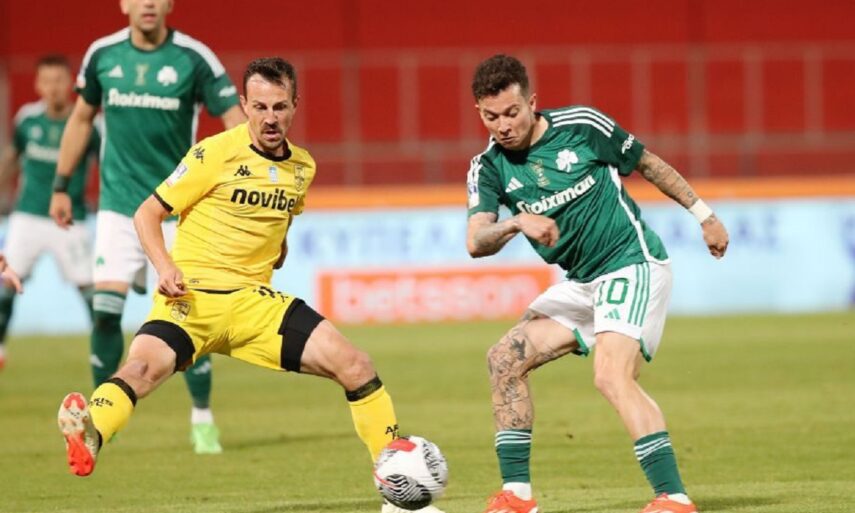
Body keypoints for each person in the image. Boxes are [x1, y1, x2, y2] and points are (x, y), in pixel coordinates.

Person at [55, 56, 442, 513]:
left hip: (255, 306)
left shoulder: (303, 168)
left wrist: (279, 247)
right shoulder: (213, 153)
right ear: (244, 104)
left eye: (279, 106)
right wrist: (164, 266)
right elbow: (147, 214)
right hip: (192, 299)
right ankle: (93, 433)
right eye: (259, 107)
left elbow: (280, 221)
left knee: (356, 366)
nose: (269, 118)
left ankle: (397, 495)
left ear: (295, 105)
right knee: (140, 370)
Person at [466, 55, 729, 513]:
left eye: (512, 112)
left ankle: (673, 498)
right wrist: (516, 223)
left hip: (631, 263)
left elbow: (648, 164)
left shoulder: (582, 126)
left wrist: (704, 215)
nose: (503, 126)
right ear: (479, 113)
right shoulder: (487, 168)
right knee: (504, 359)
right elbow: (476, 241)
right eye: (491, 117)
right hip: (583, 283)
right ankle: (518, 498)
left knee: (610, 375)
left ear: (532, 102)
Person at [49, 0, 245, 454]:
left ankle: (202, 419)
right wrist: (60, 185)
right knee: (105, 311)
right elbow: (80, 119)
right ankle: (101, 421)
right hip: (119, 209)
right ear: (124, 4)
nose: (149, 3)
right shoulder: (103, 55)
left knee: (189, 317)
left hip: (176, 210)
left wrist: (241, 179)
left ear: (170, 4)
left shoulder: (193, 58)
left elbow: (235, 122)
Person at [0, 54, 99, 371]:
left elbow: (107, 167)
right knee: (6, 286)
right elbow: (12, 158)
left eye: (58, 80)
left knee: (91, 294)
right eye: (46, 81)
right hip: (27, 215)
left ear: (70, 83)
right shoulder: (27, 120)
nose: (53, 87)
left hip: (70, 220)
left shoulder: (90, 126)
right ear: (37, 84)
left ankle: (102, 355)